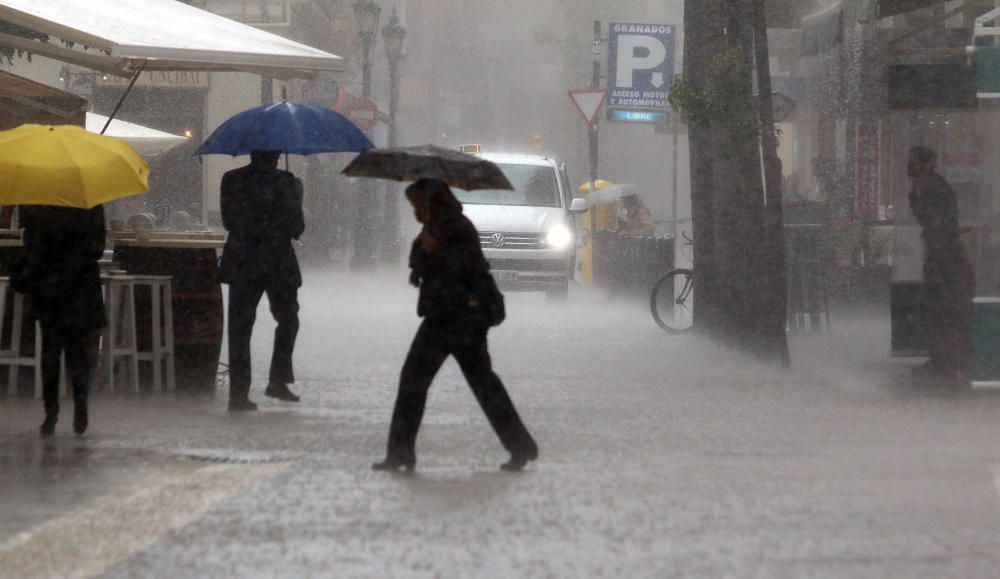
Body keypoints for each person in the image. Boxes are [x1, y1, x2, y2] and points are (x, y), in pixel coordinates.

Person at [373, 178, 539, 472]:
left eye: (419, 204)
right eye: (414, 206)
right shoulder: (435, 226)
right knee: (424, 381)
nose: (416, 211)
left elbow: (466, 267)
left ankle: (520, 446)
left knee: (471, 383)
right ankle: (401, 451)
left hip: (462, 319)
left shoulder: (458, 227)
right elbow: (420, 264)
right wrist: (425, 247)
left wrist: (436, 248)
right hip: (443, 315)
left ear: (434, 201)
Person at [219, 150, 305, 411]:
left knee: (240, 329)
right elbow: (297, 228)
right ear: (278, 155)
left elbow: (229, 221)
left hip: (243, 262)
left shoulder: (232, 179)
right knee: (288, 320)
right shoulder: (287, 182)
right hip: (278, 262)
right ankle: (277, 380)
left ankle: (238, 393)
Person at [13, 205, 106, 436]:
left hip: (48, 287)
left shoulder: (37, 203)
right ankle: (80, 404)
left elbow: (30, 245)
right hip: (79, 288)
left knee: (50, 352)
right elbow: (97, 248)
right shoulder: (89, 203)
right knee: (78, 351)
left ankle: (51, 412)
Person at [907, 146, 971, 379]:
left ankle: (945, 361)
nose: (909, 166)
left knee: (940, 304)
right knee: (939, 304)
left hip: (943, 254)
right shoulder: (929, 184)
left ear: (925, 164)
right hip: (942, 253)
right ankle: (943, 359)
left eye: (912, 161)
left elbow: (932, 220)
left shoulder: (931, 185)